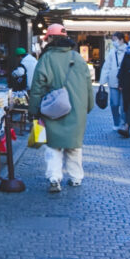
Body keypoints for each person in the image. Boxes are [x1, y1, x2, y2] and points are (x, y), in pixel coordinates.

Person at [28, 24, 94, 193]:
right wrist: (88, 106)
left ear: (50, 39)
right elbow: (88, 84)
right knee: (74, 145)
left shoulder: (46, 58)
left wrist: (34, 110)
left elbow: (38, 86)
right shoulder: (77, 57)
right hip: (77, 109)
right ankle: (76, 177)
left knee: (53, 145)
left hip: (53, 109)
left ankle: (54, 178)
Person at [100, 33, 127, 134]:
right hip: (113, 81)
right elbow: (107, 66)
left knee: (124, 106)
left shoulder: (128, 51)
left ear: (121, 40)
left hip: (124, 82)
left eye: (115, 40)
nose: (113, 42)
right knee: (114, 104)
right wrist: (102, 81)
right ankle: (117, 122)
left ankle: (124, 124)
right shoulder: (112, 52)